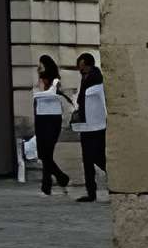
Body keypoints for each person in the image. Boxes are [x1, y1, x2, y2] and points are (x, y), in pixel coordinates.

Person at [32, 57, 72, 194]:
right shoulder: (38, 80)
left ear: (47, 66)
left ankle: (49, 183)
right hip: (40, 117)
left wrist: (37, 95)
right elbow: (36, 97)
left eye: (41, 64)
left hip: (53, 118)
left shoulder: (56, 80)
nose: (39, 67)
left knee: (47, 152)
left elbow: (51, 94)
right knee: (43, 153)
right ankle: (58, 178)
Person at [75, 52, 107, 202]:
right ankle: (91, 192)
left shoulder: (95, 77)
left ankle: (115, 179)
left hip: (96, 124)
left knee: (97, 156)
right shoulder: (85, 77)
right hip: (86, 123)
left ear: (87, 65)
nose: (79, 69)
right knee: (87, 159)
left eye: (81, 66)